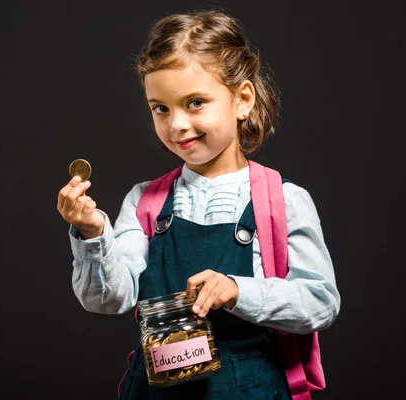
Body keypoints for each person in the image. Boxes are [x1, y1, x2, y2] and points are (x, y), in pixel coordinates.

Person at [56, 9, 340, 400]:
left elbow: (320, 303)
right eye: (161, 108)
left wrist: (238, 290)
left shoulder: (283, 200)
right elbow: (108, 299)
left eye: (194, 103)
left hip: (244, 388)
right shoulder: (145, 200)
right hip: (155, 387)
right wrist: (91, 233)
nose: (176, 125)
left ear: (241, 99)